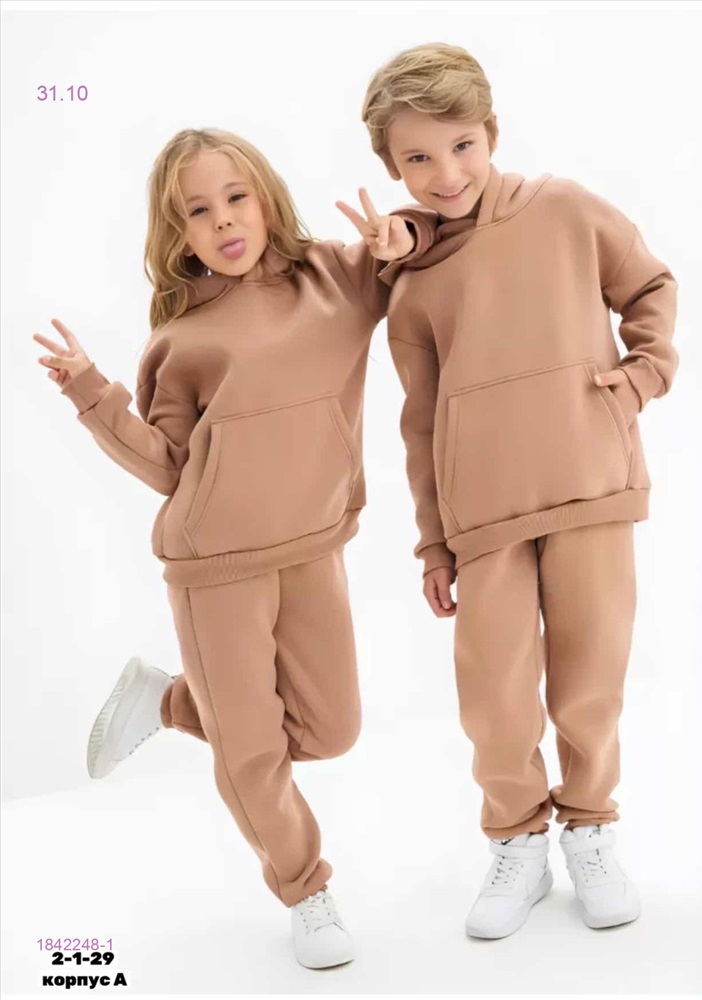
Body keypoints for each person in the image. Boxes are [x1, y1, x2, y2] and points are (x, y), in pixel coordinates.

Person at [33, 127, 434, 970]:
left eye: (235, 197)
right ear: (177, 233)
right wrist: (92, 393)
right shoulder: (182, 340)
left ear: (266, 197)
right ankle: (306, 892)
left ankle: (172, 703)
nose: (222, 220)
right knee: (251, 750)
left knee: (331, 731)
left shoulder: (335, 276)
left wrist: (401, 236)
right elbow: (166, 467)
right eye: (198, 211)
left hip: (314, 544)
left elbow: (411, 254)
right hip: (213, 566)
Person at [361, 43, 678, 938]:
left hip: (590, 484)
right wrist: (432, 540)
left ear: (491, 133)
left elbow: (650, 286)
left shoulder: (565, 209)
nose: (445, 173)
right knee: (494, 696)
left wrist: (644, 374)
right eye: (418, 158)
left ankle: (591, 829)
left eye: (461, 145)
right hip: (483, 514)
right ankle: (517, 843)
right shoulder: (411, 284)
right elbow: (420, 422)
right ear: (391, 168)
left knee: (590, 681)